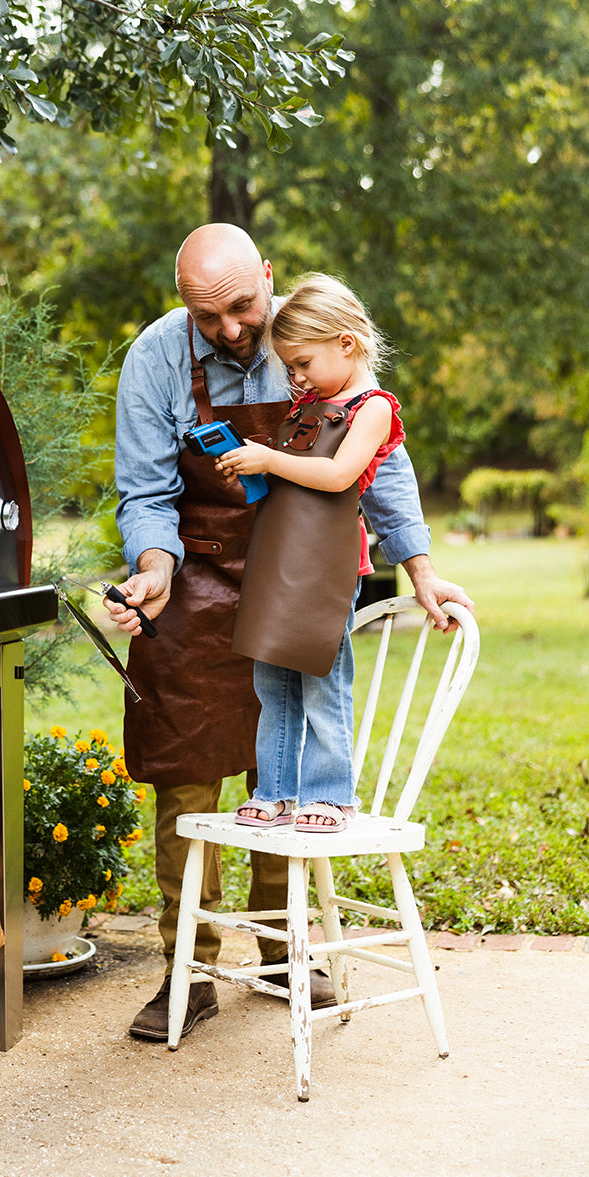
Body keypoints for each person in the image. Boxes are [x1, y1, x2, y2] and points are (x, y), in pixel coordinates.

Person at [104, 223, 472, 1043]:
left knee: (293, 763)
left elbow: (380, 461)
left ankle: (281, 951)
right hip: (194, 582)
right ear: (182, 306)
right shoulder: (156, 359)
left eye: (242, 307)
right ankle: (188, 969)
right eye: (209, 318)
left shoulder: (307, 338)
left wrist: (416, 566)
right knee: (186, 769)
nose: (233, 330)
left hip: (296, 579)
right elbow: (143, 489)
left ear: (266, 276)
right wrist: (153, 568)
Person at [217, 272, 404, 834]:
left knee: (321, 678)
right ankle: (276, 789)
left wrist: (269, 460)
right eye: (290, 367)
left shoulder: (371, 407)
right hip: (279, 557)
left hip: (325, 567)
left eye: (301, 363)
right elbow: (288, 482)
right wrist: (247, 471)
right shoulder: (308, 404)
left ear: (346, 343)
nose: (295, 377)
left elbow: (339, 474)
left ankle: (330, 794)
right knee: (271, 678)